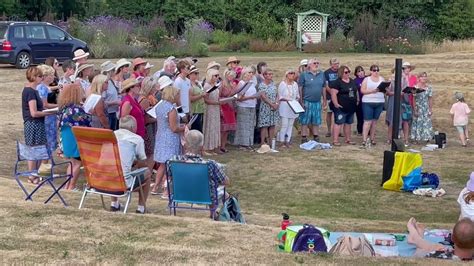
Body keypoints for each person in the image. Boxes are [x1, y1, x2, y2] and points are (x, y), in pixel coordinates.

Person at [169, 130, 229, 205]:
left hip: (179, 194)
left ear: (185, 145)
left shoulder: (173, 161)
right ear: (202, 147)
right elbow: (225, 181)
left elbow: (170, 176)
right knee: (225, 194)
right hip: (204, 196)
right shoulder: (210, 164)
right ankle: (218, 214)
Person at [111, 115, 151, 214]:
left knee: (114, 169)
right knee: (147, 172)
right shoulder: (136, 139)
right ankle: (141, 207)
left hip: (103, 180)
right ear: (133, 127)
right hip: (124, 183)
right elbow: (142, 164)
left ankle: (114, 203)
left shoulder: (111, 136)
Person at [151, 85, 186, 196]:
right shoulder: (171, 109)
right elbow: (174, 128)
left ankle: (156, 187)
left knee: (162, 164)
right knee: (171, 164)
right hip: (170, 139)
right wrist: (184, 127)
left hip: (161, 136)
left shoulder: (159, 106)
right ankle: (167, 191)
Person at [58, 84, 91, 190]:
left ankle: (68, 185)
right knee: (77, 162)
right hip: (75, 136)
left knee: (72, 163)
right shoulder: (77, 109)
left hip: (66, 136)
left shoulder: (65, 108)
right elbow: (86, 123)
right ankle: (71, 186)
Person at [21, 66, 48, 184]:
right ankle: (32, 175)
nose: (42, 78)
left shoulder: (33, 90)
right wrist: (49, 113)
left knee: (38, 150)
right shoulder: (30, 92)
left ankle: (36, 175)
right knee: (33, 149)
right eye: (40, 76)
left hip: (37, 124)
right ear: (33, 77)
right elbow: (34, 113)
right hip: (33, 124)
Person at [407, 217, 474, 261]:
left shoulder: (436, 257)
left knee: (433, 248)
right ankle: (417, 238)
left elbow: (416, 260)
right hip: (457, 254)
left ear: (452, 238)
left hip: (424, 255)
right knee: (440, 247)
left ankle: (417, 238)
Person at [298, 58, 327, 143]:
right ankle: (304, 137)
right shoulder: (304, 75)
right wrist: (301, 100)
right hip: (307, 100)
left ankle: (316, 136)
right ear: (309, 65)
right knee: (305, 120)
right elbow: (300, 88)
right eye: (314, 63)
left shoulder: (322, 74)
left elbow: (324, 87)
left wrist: (324, 99)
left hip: (317, 101)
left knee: (316, 120)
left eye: (318, 63)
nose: (316, 65)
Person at [330, 66, 358, 145]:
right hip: (340, 107)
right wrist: (336, 103)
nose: (348, 73)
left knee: (348, 123)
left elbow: (355, 91)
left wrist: (357, 100)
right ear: (341, 73)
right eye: (346, 72)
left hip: (351, 107)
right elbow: (333, 94)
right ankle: (335, 140)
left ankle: (348, 139)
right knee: (338, 123)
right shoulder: (337, 82)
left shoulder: (352, 81)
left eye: (348, 72)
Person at [360, 64, 385, 147]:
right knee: (367, 121)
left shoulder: (381, 79)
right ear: (371, 71)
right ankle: (364, 139)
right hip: (368, 101)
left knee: (374, 121)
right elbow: (362, 90)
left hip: (379, 101)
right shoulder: (367, 79)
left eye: (377, 70)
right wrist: (372, 91)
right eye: (374, 70)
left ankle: (372, 138)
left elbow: (386, 90)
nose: (376, 72)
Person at [234, 67, 259, 149]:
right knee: (243, 125)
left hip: (252, 105)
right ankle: (242, 143)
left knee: (250, 125)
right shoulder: (241, 83)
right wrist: (249, 98)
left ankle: (248, 143)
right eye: (249, 73)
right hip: (243, 106)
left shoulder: (251, 83)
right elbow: (238, 97)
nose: (251, 74)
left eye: (252, 73)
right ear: (244, 74)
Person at [36, 64, 58, 154]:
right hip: (47, 117)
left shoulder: (44, 87)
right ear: (45, 77)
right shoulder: (42, 88)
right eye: (51, 75)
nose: (54, 77)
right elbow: (44, 105)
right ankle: (45, 162)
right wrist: (59, 106)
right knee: (48, 140)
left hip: (48, 117)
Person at [138, 76, 158, 170]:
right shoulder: (145, 100)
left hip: (149, 128)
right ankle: (148, 173)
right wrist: (158, 118)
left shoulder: (145, 98)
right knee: (151, 153)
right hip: (148, 129)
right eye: (153, 87)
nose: (155, 89)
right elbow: (146, 119)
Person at [278, 69, 300, 147]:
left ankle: (287, 140)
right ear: (286, 75)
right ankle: (281, 140)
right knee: (284, 124)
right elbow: (280, 96)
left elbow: (297, 95)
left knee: (290, 124)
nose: (292, 75)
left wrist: (296, 99)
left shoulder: (295, 84)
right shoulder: (283, 84)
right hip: (285, 106)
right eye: (290, 73)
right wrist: (287, 99)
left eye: (293, 73)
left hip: (293, 106)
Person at [203, 69, 223, 155]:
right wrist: (216, 103)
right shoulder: (207, 86)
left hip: (216, 108)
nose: (217, 77)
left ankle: (215, 146)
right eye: (215, 75)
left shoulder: (216, 85)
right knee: (210, 126)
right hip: (210, 108)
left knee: (216, 126)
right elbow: (206, 100)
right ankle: (208, 147)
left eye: (218, 75)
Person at [257, 68, 279, 145]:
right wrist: (272, 104)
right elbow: (263, 96)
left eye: (271, 74)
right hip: (265, 107)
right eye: (268, 74)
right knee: (264, 125)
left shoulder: (273, 84)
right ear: (264, 75)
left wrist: (276, 103)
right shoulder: (262, 85)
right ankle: (263, 142)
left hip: (274, 107)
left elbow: (277, 94)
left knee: (272, 125)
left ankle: (270, 142)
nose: (270, 76)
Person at [410, 72, 434, 143]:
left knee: (426, 122)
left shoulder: (429, 88)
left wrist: (430, 109)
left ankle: (426, 137)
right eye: (422, 76)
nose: (424, 78)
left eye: (425, 76)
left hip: (425, 107)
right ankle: (416, 138)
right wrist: (414, 109)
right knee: (418, 122)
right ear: (419, 78)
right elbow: (414, 99)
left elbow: (430, 99)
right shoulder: (415, 87)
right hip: (418, 107)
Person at [219, 69, 238, 153]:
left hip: (230, 105)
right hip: (223, 105)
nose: (232, 78)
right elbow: (218, 96)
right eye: (231, 76)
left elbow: (233, 94)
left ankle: (223, 145)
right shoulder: (222, 84)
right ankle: (219, 145)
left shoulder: (232, 84)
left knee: (227, 129)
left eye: (233, 77)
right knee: (222, 128)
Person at [324, 58, 340, 138]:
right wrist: (332, 93)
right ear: (331, 64)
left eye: (337, 63)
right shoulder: (326, 73)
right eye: (334, 63)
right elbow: (326, 85)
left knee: (339, 113)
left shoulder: (341, 71)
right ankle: (329, 130)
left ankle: (338, 130)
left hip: (339, 96)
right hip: (329, 95)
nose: (336, 65)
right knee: (329, 113)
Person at [188, 66, 205, 132]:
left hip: (200, 109)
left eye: (197, 73)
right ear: (190, 74)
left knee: (199, 129)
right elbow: (191, 99)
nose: (197, 75)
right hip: (194, 110)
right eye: (195, 73)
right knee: (196, 129)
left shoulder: (197, 84)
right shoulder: (189, 85)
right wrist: (201, 95)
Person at [353, 66, 366, 136]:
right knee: (360, 116)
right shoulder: (355, 81)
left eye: (362, 70)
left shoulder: (367, 79)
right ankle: (360, 130)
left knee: (367, 116)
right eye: (359, 71)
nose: (361, 72)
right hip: (360, 101)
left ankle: (367, 130)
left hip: (367, 100)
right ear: (356, 73)